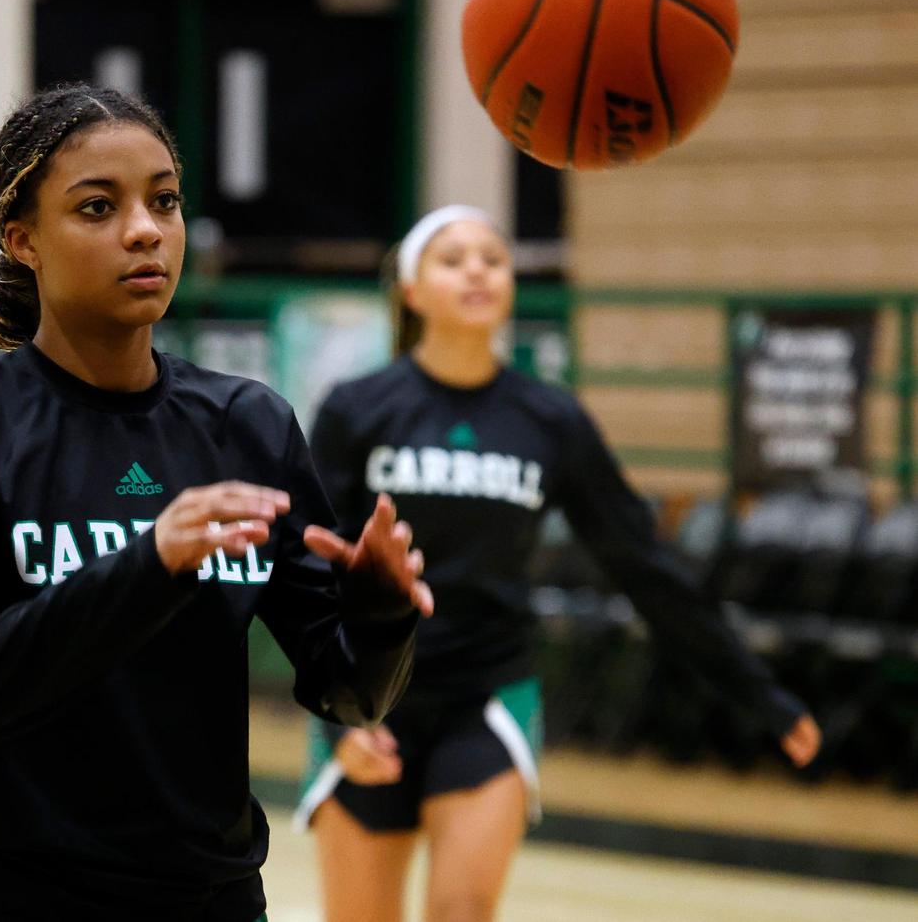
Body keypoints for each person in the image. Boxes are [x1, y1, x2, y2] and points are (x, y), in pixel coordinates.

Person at [0, 83, 434, 922]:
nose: (145, 229)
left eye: (164, 201)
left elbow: (347, 691)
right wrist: (148, 563)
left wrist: (380, 613)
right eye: (98, 207)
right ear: (24, 241)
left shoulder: (246, 427)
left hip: (203, 897)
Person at [296, 205, 823, 922]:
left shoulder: (550, 419)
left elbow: (645, 565)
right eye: (454, 259)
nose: (478, 269)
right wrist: (339, 716)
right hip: (366, 698)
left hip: (486, 696)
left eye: (494, 258)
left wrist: (759, 690)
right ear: (413, 291)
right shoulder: (357, 408)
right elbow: (311, 566)